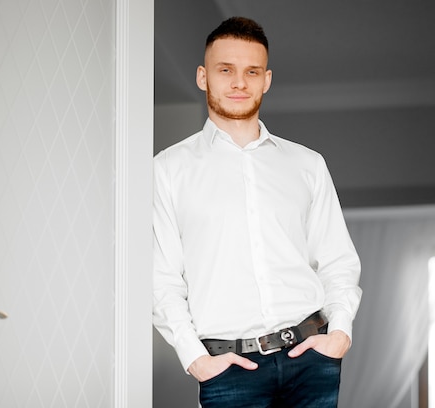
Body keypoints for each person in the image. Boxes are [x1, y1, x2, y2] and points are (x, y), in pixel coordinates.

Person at [152, 16, 362, 408]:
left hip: (310, 358)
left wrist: (340, 334)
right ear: (203, 77)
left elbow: (337, 260)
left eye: (252, 71)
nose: (239, 82)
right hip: (227, 369)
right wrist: (194, 358)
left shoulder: (307, 164)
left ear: (266, 80)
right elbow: (161, 280)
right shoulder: (167, 170)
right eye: (225, 70)